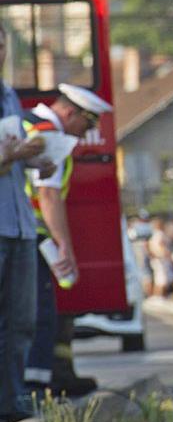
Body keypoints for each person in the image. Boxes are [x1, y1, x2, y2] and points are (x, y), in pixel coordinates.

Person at [23, 83, 112, 397]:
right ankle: (34, 391)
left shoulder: (26, 121)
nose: (84, 134)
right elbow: (47, 195)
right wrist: (65, 247)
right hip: (30, 237)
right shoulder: (50, 136)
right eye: (86, 125)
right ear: (70, 112)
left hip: (20, 232)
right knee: (39, 315)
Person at [0, 25, 52, 422]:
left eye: (2, 46)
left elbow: (14, 155)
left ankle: (12, 399)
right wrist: (18, 152)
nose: (0, 52)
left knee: (21, 318)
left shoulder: (8, 95)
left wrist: (38, 160)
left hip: (18, 223)